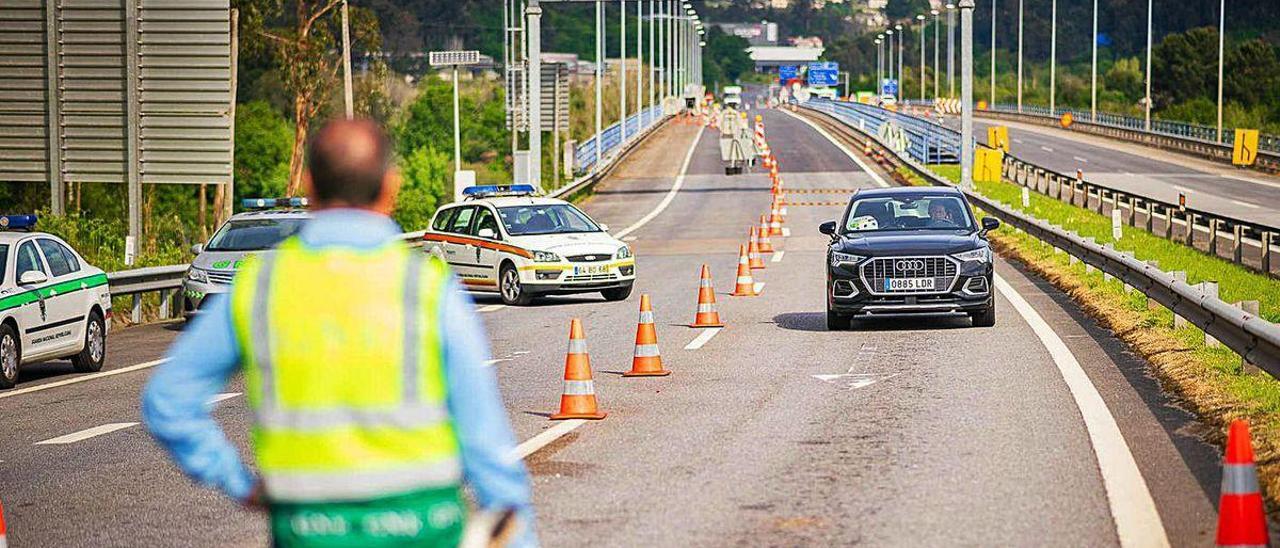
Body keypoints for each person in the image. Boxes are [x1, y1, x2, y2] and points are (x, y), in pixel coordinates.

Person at [142, 119, 536, 547]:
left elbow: (167, 402)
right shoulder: (426, 287)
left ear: (309, 186)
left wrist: (239, 482)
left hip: (310, 529)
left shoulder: (260, 287)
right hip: (423, 527)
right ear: (391, 188)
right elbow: (486, 442)